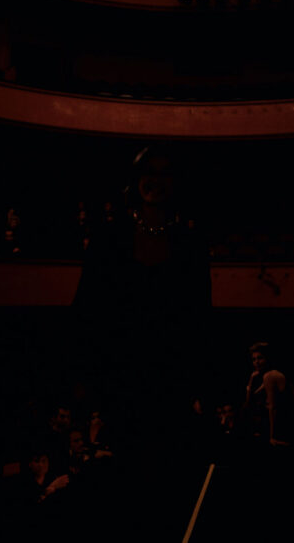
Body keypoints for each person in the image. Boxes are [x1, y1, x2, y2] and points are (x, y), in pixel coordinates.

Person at [71, 145, 212, 440]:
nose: (156, 181)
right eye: (149, 172)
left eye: (165, 174)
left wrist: (195, 383)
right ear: (135, 179)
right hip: (118, 379)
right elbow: (86, 309)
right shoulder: (108, 239)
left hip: (170, 382)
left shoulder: (189, 245)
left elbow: (199, 317)